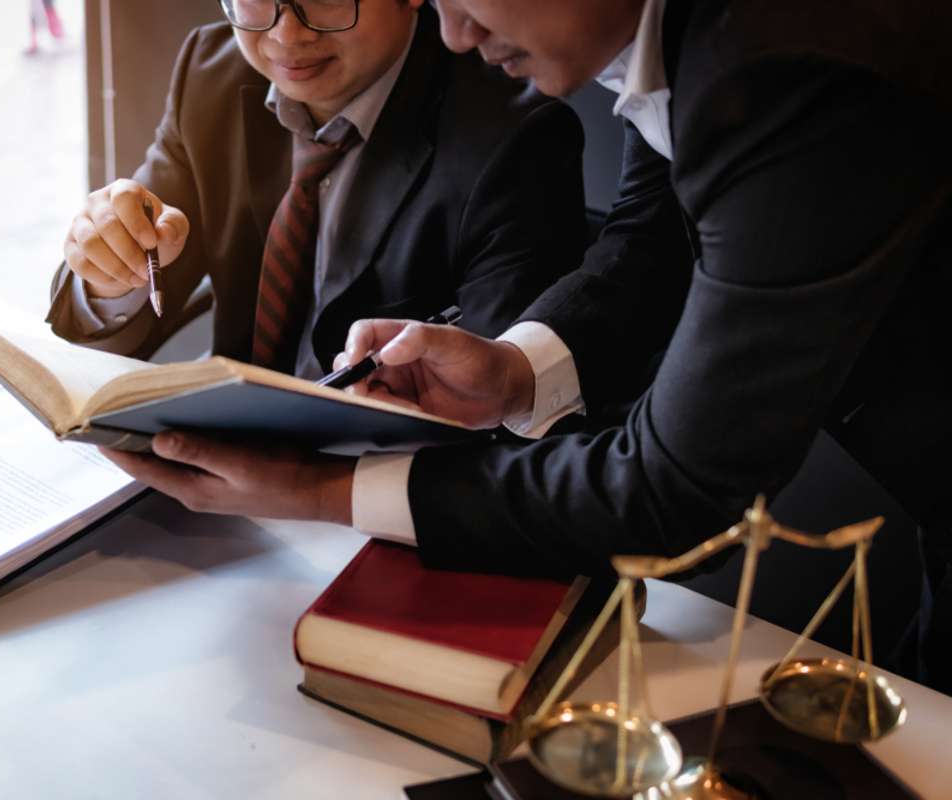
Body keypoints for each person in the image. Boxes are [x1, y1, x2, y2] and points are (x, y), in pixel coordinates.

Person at [100, 0, 951, 692]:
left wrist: (322, 489)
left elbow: (672, 487)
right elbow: (656, 237)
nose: (456, 31)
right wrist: (517, 369)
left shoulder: (781, 64)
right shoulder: (690, 42)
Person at [47, 0, 586, 378]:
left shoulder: (515, 138)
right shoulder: (210, 72)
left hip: (371, 480)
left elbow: (502, 401)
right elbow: (106, 324)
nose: (287, 34)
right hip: (222, 457)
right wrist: (111, 271)